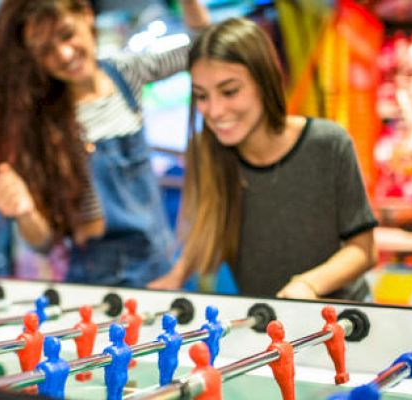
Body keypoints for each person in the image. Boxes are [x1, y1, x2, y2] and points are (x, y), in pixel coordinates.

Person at [0, 0, 210, 287]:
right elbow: (44, 242)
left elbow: (202, 47)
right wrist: (25, 212)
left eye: (67, 34)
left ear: (86, 15)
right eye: (45, 50)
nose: (65, 54)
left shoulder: (124, 72)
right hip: (96, 278)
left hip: (159, 262)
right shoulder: (44, 122)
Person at [148, 17, 377, 300]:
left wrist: (309, 285)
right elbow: (204, 232)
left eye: (230, 91)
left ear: (264, 80)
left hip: (341, 320)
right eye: (201, 96)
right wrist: (174, 277)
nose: (215, 111)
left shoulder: (328, 143)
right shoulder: (206, 150)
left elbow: (363, 250)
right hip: (265, 327)